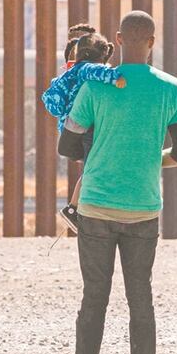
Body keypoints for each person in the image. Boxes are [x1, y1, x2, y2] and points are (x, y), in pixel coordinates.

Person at [57, 11, 177, 354]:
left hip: (95, 207)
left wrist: (104, 153)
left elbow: (67, 146)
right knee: (140, 297)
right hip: (143, 209)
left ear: (118, 39)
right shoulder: (172, 89)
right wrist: (149, 158)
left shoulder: (95, 87)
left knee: (94, 296)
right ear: (152, 42)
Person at [42, 29, 125, 232]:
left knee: (90, 168)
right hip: (86, 126)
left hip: (69, 127)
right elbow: (100, 72)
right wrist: (117, 78)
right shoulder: (88, 69)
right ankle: (74, 208)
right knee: (92, 168)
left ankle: (76, 208)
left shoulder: (71, 72)